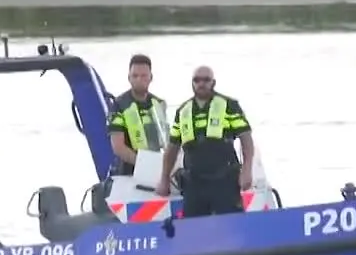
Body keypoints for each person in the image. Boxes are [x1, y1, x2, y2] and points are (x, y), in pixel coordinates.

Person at [157, 65, 255, 218]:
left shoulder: (229, 105)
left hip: (225, 180)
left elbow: (246, 139)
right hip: (194, 182)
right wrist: (164, 178)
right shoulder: (182, 111)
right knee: (193, 226)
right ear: (192, 83)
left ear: (213, 83)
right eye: (197, 80)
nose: (201, 83)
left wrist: (247, 170)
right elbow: (172, 148)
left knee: (231, 223)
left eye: (206, 80)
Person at [105, 53, 171, 179]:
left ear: (151, 77)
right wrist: (144, 165)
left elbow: (166, 141)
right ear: (129, 78)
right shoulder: (118, 105)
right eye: (135, 76)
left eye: (143, 76)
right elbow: (118, 147)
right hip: (129, 172)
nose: (139, 80)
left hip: (158, 170)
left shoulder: (159, 104)